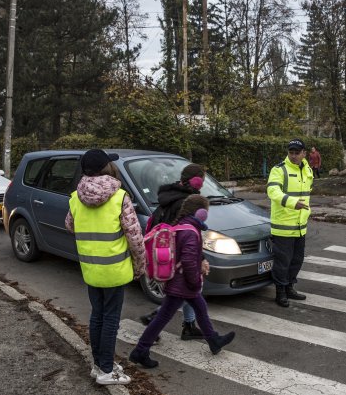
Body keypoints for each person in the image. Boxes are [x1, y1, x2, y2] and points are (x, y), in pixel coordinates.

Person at [65, 149, 146, 385]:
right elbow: (135, 237)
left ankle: (99, 364)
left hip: (91, 269)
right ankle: (107, 371)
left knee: (97, 316)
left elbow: (70, 225)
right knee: (111, 319)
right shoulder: (120, 197)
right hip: (115, 269)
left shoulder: (75, 197)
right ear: (107, 168)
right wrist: (139, 265)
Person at [129, 195, 236, 368]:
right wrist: (195, 282)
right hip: (184, 283)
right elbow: (187, 261)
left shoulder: (181, 227)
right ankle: (140, 350)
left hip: (178, 280)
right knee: (163, 317)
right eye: (206, 211)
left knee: (200, 309)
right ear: (200, 213)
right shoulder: (190, 232)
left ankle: (214, 340)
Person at [139, 164, 209, 340]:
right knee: (186, 290)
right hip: (178, 254)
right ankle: (154, 321)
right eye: (202, 180)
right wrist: (201, 258)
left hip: (167, 252)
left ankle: (189, 325)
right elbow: (188, 233)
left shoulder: (170, 196)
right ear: (197, 182)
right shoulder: (185, 202)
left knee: (189, 291)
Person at [266, 139, 312, 307]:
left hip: (300, 225)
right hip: (283, 226)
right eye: (290, 152)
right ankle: (280, 292)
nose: (293, 156)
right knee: (282, 262)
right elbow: (273, 191)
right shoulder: (279, 170)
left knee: (297, 260)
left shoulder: (307, 169)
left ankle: (290, 287)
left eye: (296, 153)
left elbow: (307, 194)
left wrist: (306, 212)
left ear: (303, 153)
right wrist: (292, 202)